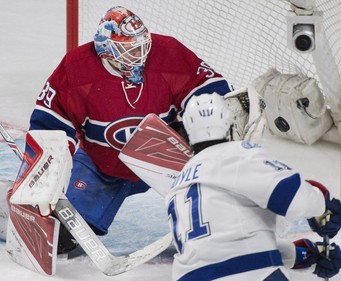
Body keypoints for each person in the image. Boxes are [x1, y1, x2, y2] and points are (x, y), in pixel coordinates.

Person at [20, 6, 234, 253]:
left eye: (142, 45)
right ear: (106, 51)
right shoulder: (76, 68)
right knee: (64, 236)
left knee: (220, 220)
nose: (141, 54)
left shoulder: (168, 52)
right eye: (130, 49)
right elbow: (49, 124)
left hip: (170, 158)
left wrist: (207, 138)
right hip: (102, 166)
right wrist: (44, 179)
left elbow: (208, 89)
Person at [165, 93, 341, 280]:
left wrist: (299, 255)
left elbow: (215, 251)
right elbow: (294, 199)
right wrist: (322, 205)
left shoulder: (177, 186)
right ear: (230, 123)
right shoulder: (237, 153)